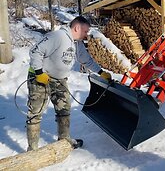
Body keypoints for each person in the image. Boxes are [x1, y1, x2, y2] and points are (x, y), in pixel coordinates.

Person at [26, 16, 111, 151]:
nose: (86, 35)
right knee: (35, 113)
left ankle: (64, 140)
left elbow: (86, 60)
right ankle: (32, 150)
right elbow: (36, 51)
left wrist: (101, 72)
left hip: (59, 80)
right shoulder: (58, 36)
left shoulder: (77, 44)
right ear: (77, 28)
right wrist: (38, 72)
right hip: (41, 78)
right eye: (85, 31)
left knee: (64, 109)